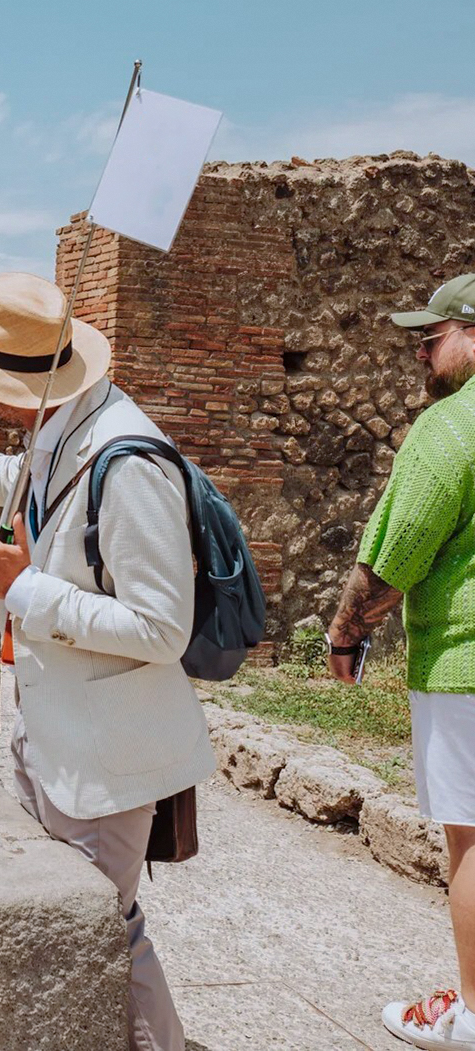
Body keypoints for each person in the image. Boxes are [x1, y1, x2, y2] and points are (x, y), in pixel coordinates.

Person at [0, 272, 211, 1051]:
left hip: (107, 757)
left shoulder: (131, 463)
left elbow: (162, 628)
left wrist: (28, 590)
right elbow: (18, 483)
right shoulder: (64, 427)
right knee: (72, 923)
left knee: (106, 933)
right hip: (59, 740)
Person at [318, 275, 475, 1051]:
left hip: (466, 667)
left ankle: (473, 1014)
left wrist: (346, 637)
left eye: (433, 333)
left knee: (473, 839)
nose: (420, 347)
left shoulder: (450, 429)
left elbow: (395, 556)